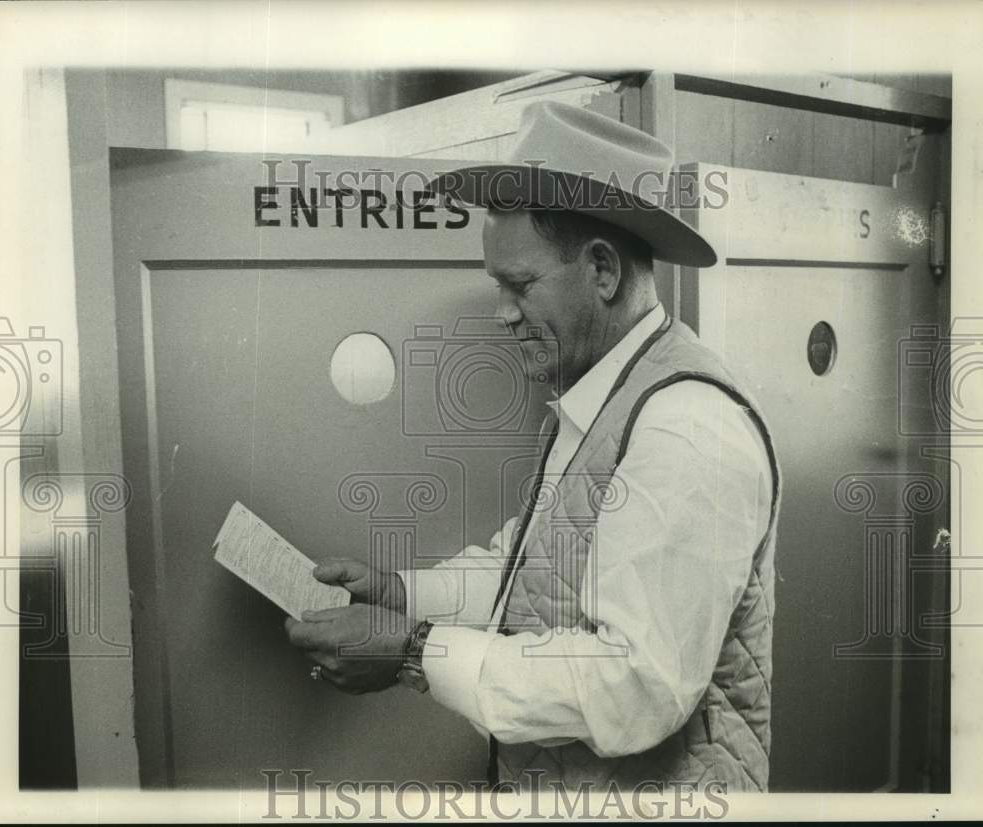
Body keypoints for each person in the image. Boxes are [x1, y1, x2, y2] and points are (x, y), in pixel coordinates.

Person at [285, 101, 780, 791]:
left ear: (603, 271)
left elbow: (636, 685)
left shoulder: (687, 428)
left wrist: (411, 653)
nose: (503, 312)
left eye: (519, 285)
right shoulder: (606, 393)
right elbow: (540, 571)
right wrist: (402, 593)